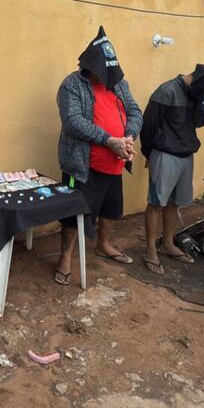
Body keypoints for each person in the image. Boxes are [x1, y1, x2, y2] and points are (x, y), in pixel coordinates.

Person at [54, 26, 143, 285]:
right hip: (81, 166)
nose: (105, 78)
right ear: (90, 67)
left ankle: (103, 244)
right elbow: (73, 121)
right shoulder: (72, 85)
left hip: (115, 162)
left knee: (110, 208)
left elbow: (135, 111)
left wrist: (129, 137)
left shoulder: (119, 84)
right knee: (74, 213)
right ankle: (65, 258)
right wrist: (109, 140)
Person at [140, 65, 204, 275]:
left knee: (174, 203)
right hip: (165, 154)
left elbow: (199, 122)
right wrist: (149, 154)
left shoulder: (197, 93)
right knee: (156, 203)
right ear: (198, 81)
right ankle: (150, 250)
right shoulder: (167, 91)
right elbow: (148, 126)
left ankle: (167, 243)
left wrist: (202, 104)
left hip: (186, 154)